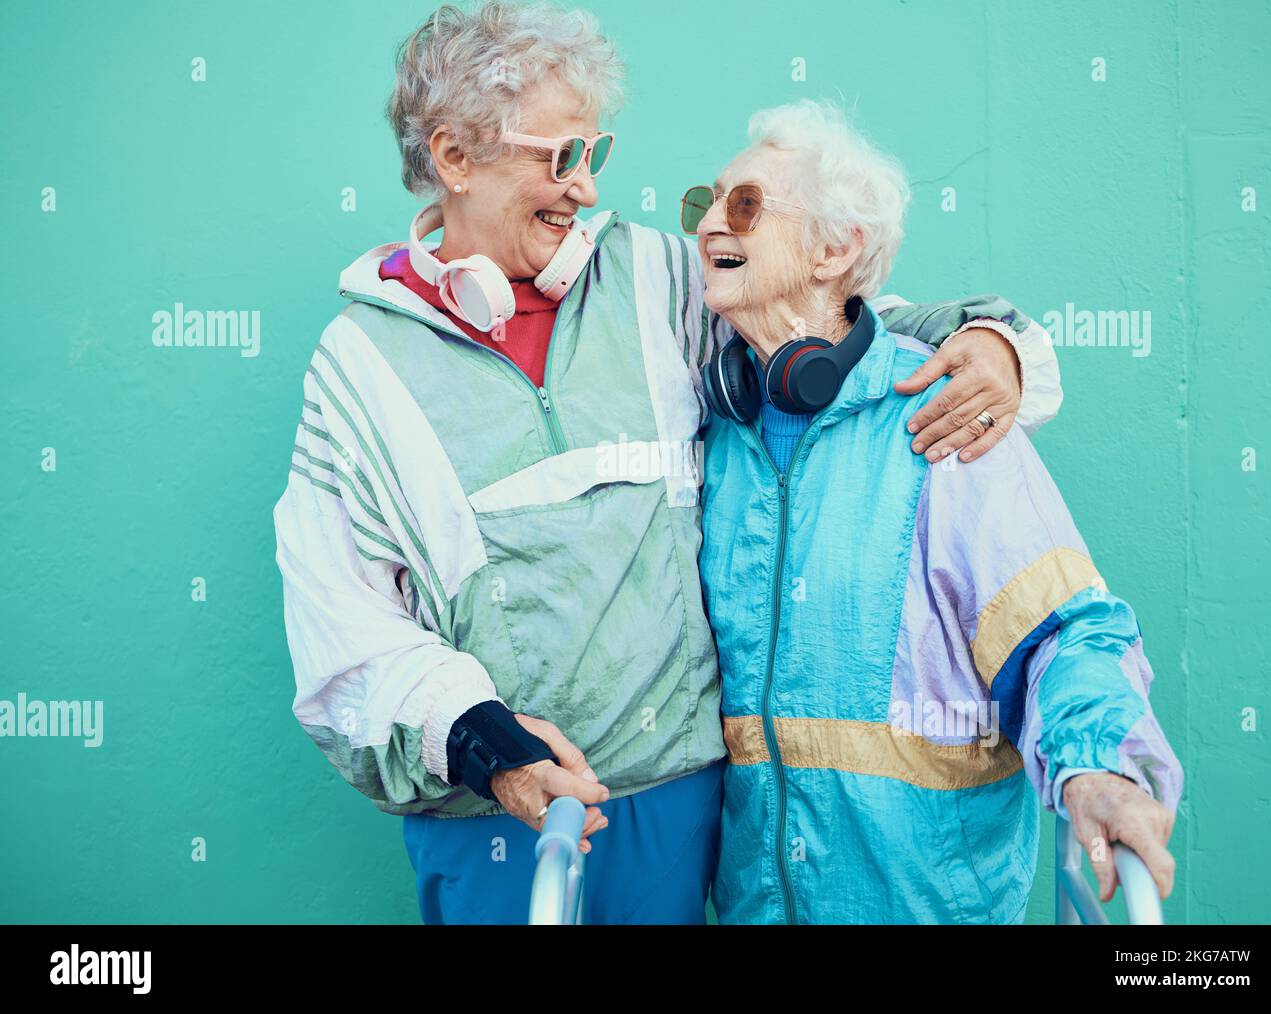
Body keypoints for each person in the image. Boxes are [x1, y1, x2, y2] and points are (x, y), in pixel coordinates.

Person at [272, 1, 1060, 925]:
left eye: (594, 155)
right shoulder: (358, 364)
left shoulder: (657, 278)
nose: (584, 189)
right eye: (560, 157)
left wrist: (995, 341)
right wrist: (486, 745)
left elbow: (829, 323)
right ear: (453, 157)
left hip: (681, 812)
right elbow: (342, 628)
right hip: (490, 818)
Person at [693, 99, 1183, 924]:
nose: (709, 223)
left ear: (835, 250)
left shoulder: (946, 414)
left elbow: (1063, 631)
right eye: (702, 203)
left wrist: (1096, 767)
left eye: (743, 204)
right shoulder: (717, 432)